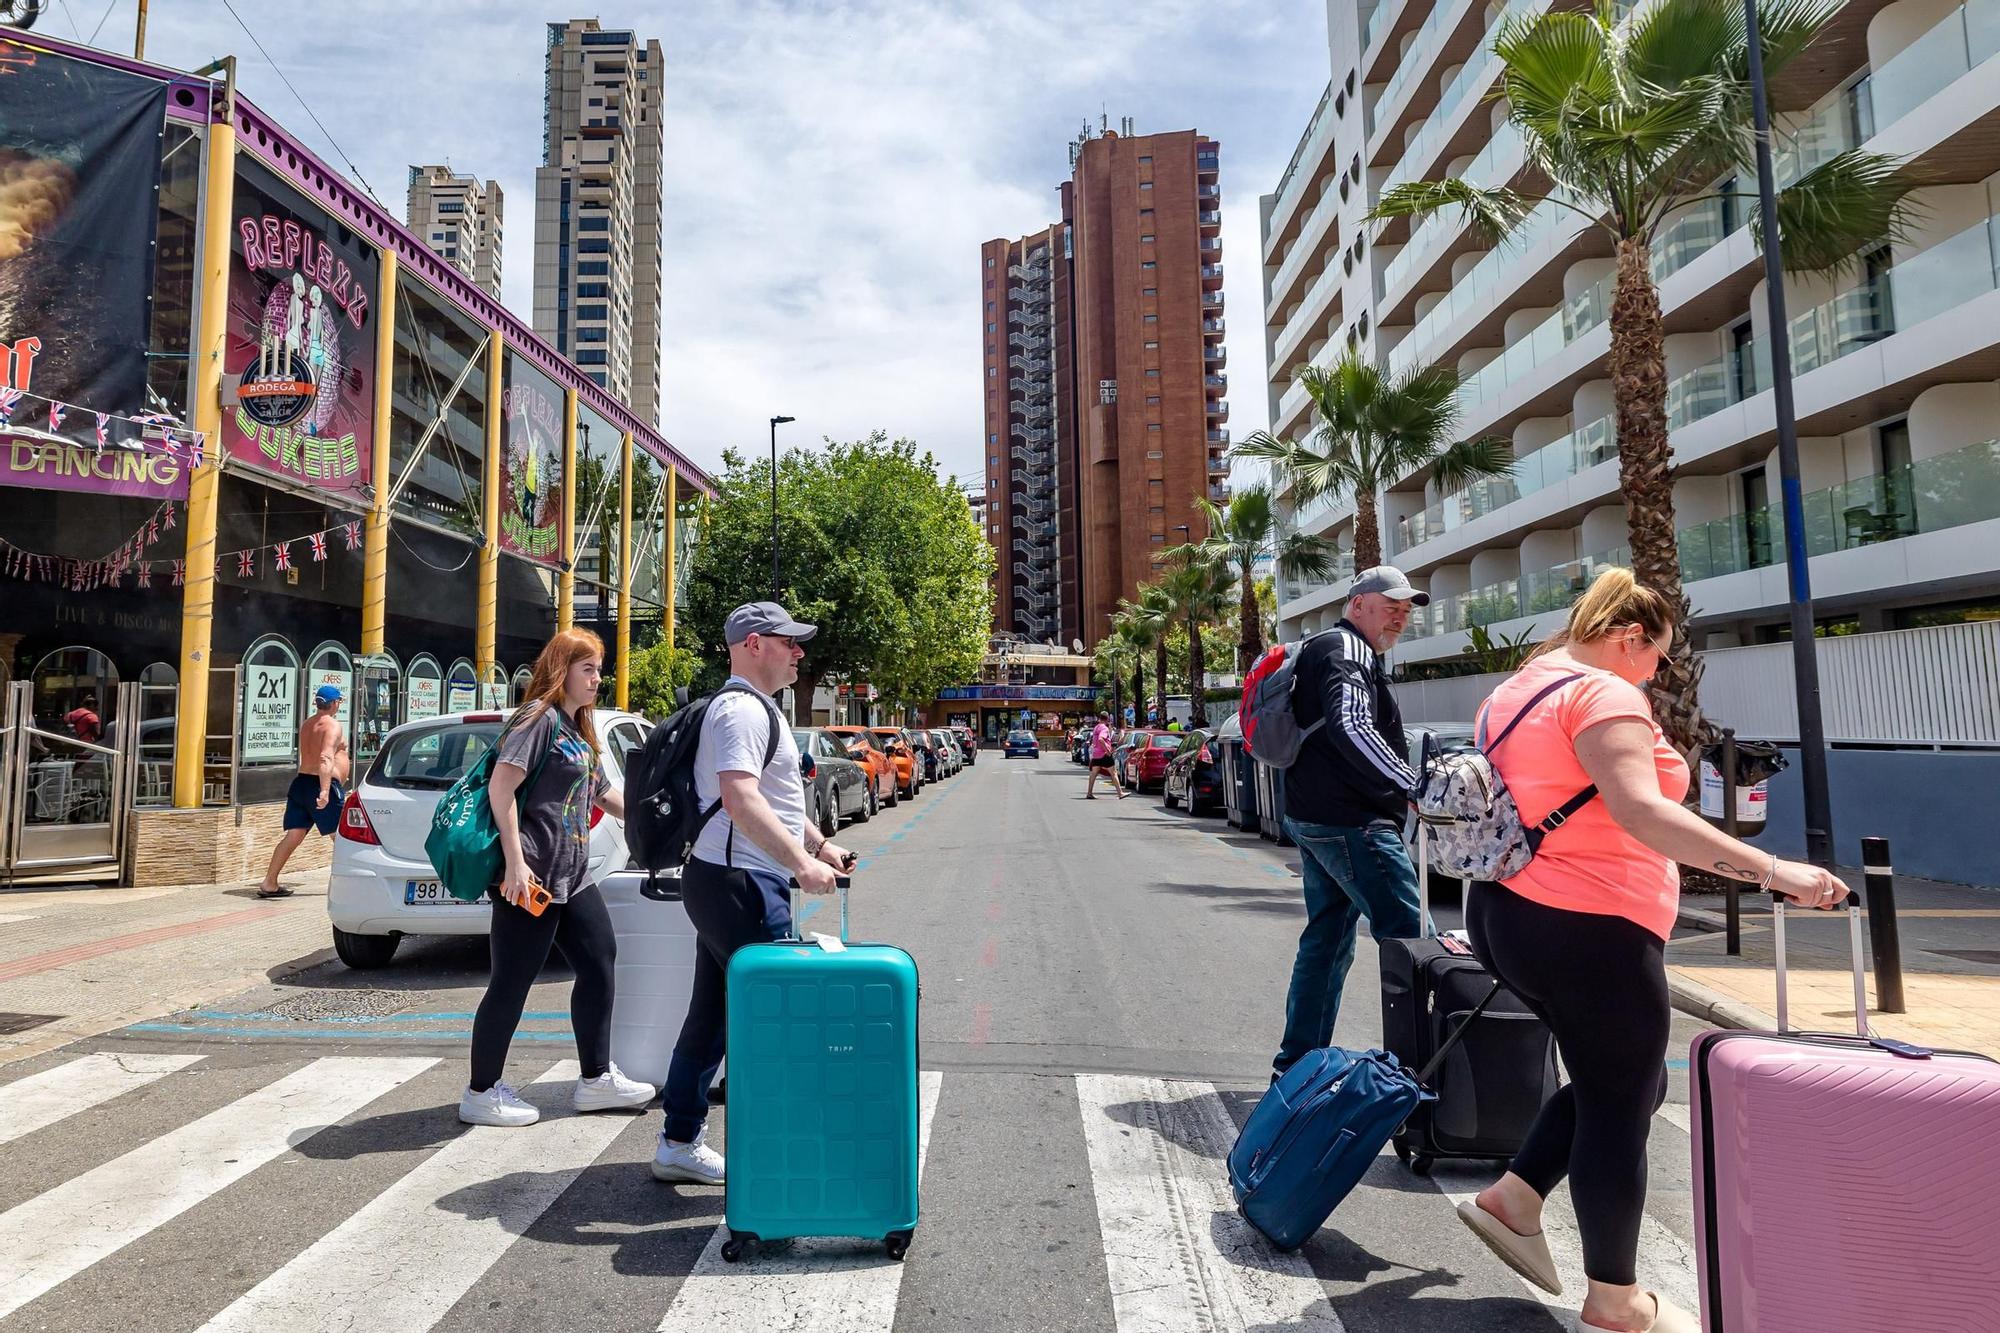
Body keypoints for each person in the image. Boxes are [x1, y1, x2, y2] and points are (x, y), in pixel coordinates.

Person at [1453, 568, 1847, 1333]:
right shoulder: (1602, 692)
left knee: (1622, 1084)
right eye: (1657, 656)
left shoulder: (1518, 688)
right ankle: (1615, 1301)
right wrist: (1773, 869)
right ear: (1630, 637)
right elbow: (1640, 810)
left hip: (1506, 912)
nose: (1658, 672)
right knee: (1618, 1098)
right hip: (1589, 925)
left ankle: (1516, 1198)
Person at [653, 601, 852, 1185]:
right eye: (789, 641)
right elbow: (740, 798)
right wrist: (800, 863)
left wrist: (817, 846)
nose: (799, 653)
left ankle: (679, 1140)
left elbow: (775, 797)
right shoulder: (740, 711)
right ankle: (771, 1151)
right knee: (773, 1020)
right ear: (754, 644)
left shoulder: (759, 710)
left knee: (712, 1016)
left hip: (728, 880)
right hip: (739, 884)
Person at [459, 627, 651, 1127]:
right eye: (587, 669)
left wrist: (662, 821)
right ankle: (481, 1091)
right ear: (560, 670)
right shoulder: (538, 720)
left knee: (599, 961)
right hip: (531, 878)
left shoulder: (577, 728)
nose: (597, 679)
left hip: (573, 876)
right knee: (512, 981)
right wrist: (515, 863)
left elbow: (604, 795)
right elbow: (502, 791)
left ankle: (595, 1079)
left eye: (599, 669)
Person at [1272, 566, 1430, 1078]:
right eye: (1392, 607)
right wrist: (1411, 784)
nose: (1401, 618)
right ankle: (1429, 1075)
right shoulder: (1349, 649)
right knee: (1417, 946)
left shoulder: (1324, 647)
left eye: (1406, 611)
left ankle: (1295, 1066)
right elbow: (1351, 723)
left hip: (1315, 816)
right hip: (1352, 822)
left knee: (1327, 943)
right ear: (1358, 603)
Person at [257, 683, 351, 899]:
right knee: (344, 836)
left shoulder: (307, 724)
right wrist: (325, 791)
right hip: (319, 784)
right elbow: (325, 757)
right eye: (339, 701)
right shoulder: (333, 726)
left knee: (294, 835)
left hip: (301, 784)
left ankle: (269, 882)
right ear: (334, 703)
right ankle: (354, 885)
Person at [1084, 710, 1126, 800]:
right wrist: (1107, 750)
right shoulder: (1104, 728)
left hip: (1096, 754)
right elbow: (1101, 739)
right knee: (1113, 773)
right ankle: (1120, 793)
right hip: (1104, 754)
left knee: (1093, 774)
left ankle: (1089, 793)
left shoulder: (1096, 727)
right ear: (1107, 719)